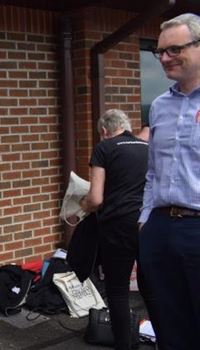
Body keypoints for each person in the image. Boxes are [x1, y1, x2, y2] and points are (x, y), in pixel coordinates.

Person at [138, 13, 200, 349]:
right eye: (158, 51)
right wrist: (144, 221)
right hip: (160, 230)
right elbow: (153, 172)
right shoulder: (159, 107)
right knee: (170, 329)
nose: (163, 58)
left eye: (174, 49)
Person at [80, 109, 156, 350]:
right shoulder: (147, 147)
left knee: (118, 289)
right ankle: (163, 339)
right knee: (150, 287)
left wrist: (81, 205)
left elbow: (96, 198)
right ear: (127, 126)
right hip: (149, 223)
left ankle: (124, 345)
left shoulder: (105, 148)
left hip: (118, 226)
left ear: (104, 131)